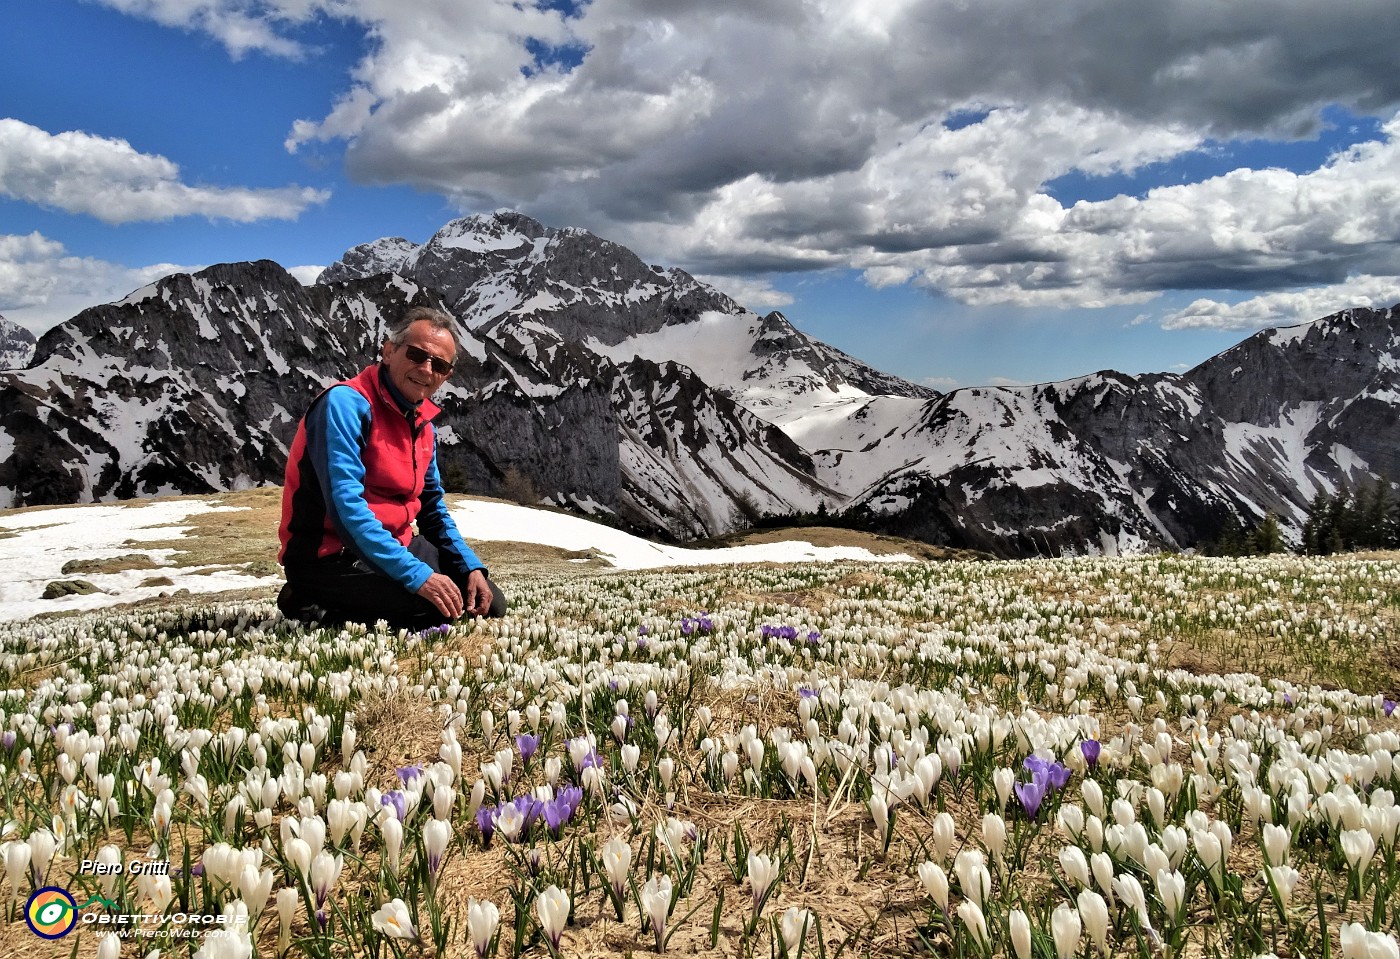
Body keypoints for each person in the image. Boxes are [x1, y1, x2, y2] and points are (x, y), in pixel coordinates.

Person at [277, 306, 506, 629]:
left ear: (446, 376)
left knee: (487, 604)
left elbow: (431, 509)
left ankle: (353, 603)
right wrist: (418, 577)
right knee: (434, 611)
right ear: (388, 351)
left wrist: (469, 567)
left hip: (397, 544)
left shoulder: (422, 424)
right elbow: (347, 511)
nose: (426, 370)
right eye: (416, 355)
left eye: (439, 365)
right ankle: (308, 598)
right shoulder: (345, 405)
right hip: (329, 555)